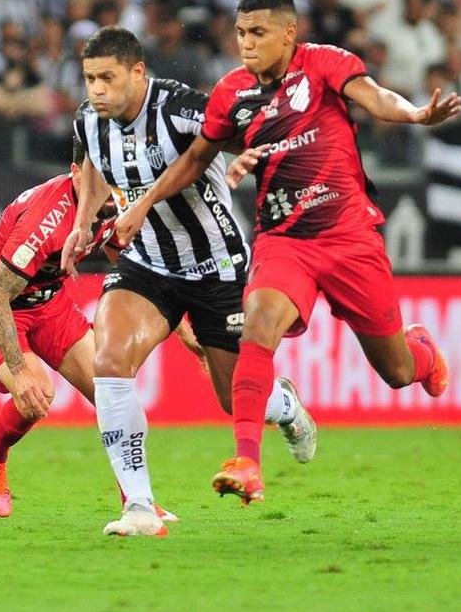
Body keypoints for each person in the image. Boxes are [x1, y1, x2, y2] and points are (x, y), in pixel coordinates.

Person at [113, 0, 461, 504]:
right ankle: (247, 463)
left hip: (348, 237)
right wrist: (142, 204)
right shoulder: (232, 92)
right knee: (258, 322)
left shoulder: (325, 64)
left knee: (396, 371)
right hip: (283, 241)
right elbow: (194, 159)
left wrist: (412, 115)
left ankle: (423, 356)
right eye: (239, 33)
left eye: (258, 33)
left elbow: (374, 96)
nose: (246, 44)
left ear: (289, 34)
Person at [61, 26, 317, 536]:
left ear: (138, 72)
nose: (97, 90)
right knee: (109, 362)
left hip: (216, 267)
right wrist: (83, 221)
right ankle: (138, 506)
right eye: (89, 79)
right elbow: (90, 165)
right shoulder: (90, 120)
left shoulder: (179, 107)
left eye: (107, 78)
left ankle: (285, 406)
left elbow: (208, 150)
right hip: (148, 263)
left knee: (233, 397)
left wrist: (150, 199)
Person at [0, 141, 191, 523]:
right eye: (95, 177)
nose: (105, 188)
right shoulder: (48, 217)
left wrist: (183, 330)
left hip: (48, 301)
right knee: (37, 393)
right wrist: (17, 371)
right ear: (75, 173)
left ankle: (137, 500)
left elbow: (133, 266)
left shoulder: (118, 204)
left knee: (112, 390)